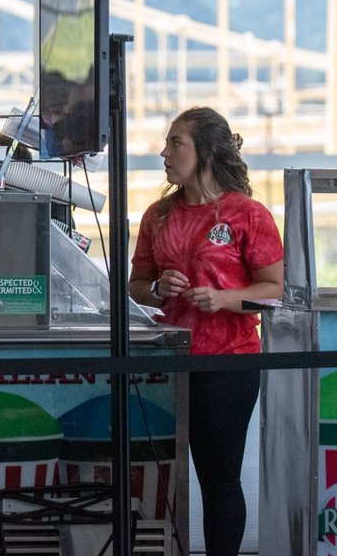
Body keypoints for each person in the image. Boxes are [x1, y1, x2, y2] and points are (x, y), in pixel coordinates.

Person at [128, 107, 284, 556]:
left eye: (175, 142)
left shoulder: (248, 215)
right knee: (163, 474)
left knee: (218, 478)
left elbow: (276, 292)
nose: (164, 152)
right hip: (167, 360)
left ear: (206, 153)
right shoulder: (158, 215)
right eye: (166, 142)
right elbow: (135, 287)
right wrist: (157, 289)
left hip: (227, 362)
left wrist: (225, 299)